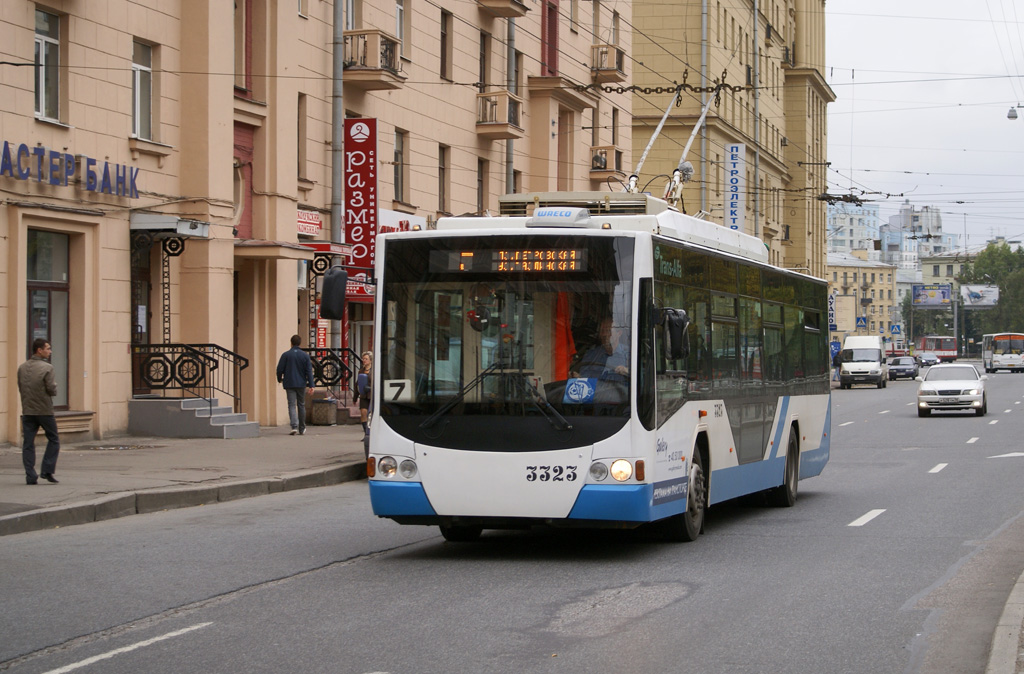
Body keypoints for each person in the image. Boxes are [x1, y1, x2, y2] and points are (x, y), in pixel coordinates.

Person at [18, 338, 60, 485]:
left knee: (28, 443)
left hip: (28, 410)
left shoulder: (22, 367)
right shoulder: (47, 368)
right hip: (44, 410)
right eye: (47, 348)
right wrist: (54, 390)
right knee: (54, 439)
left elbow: (21, 387)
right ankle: (47, 470)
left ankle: (30, 475)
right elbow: (51, 389)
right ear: (39, 350)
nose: (50, 351)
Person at [277, 335, 315, 435]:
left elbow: (279, 369)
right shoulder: (305, 356)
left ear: (291, 343)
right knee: (301, 405)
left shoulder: (285, 355)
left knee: (291, 405)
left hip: (289, 383)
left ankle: (294, 426)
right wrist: (311, 385)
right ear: (300, 343)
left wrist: (279, 379)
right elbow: (309, 371)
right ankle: (302, 428)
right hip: (301, 384)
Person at [356, 351, 372, 437]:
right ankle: (366, 433)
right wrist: (355, 397)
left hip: (372, 395)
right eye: (363, 359)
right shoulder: (361, 371)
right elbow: (357, 383)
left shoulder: (375, 370)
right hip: (363, 395)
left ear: (371, 360)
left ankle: (372, 433)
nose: (364, 360)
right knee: (363, 412)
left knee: (371, 414)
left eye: (366, 359)